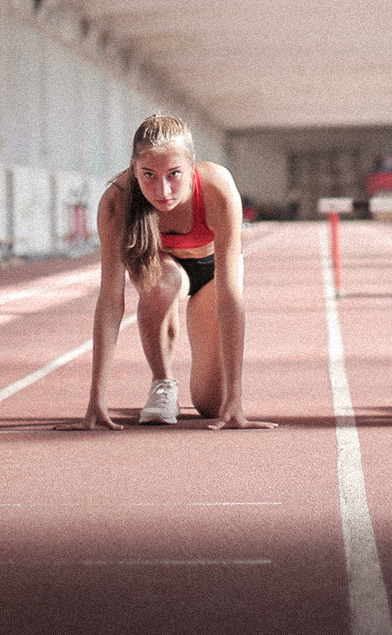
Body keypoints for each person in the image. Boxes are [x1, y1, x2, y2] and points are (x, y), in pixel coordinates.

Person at [75, 115, 276, 431]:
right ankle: (163, 383)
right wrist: (95, 399)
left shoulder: (217, 188)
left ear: (192, 166)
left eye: (174, 174)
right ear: (134, 169)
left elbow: (230, 299)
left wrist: (235, 397)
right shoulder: (117, 201)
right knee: (163, 281)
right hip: (164, 269)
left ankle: (219, 392)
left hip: (212, 274)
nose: (163, 190)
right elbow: (111, 302)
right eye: (149, 175)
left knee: (212, 406)